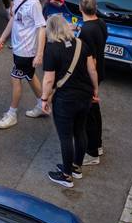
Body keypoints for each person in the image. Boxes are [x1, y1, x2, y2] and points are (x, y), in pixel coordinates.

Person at [40, 14, 99, 188]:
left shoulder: (51, 49)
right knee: (80, 131)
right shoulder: (81, 44)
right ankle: (76, 167)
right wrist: (95, 89)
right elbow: (92, 70)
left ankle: (66, 176)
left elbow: (49, 79)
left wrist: (44, 98)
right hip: (85, 95)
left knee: (65, 137)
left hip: (65, 99)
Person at [0, 0, 47, 130]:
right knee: (30, 76)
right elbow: (14, 20)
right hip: (17, 48)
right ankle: (42, 105)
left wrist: (39, 53)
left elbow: (42, 28)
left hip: (26, 50)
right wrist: (3, 37)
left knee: (15, 79)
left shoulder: (34, 3)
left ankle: (12, 114)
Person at [76, 0, 109, 164]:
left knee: (89, 115)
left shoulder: (87, 31)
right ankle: (98, 144)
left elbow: (91, 60)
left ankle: (91, 152)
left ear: (80, 8)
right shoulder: (100, 23)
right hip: (100, 71)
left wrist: (93, 87)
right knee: (95, 112)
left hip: (90, 76)